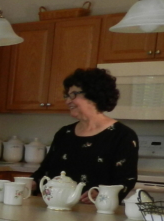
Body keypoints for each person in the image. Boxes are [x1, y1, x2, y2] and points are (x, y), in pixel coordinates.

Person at [30, 68, 138, 203]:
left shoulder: (122, 135)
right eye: (67, 96)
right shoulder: (64, 133)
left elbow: (125, 180)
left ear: (94, 95)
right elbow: (45, 171)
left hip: (95, 212)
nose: (68, 101)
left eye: (74, 94)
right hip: (57, 207)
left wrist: (100, 193)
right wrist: (31, 183)